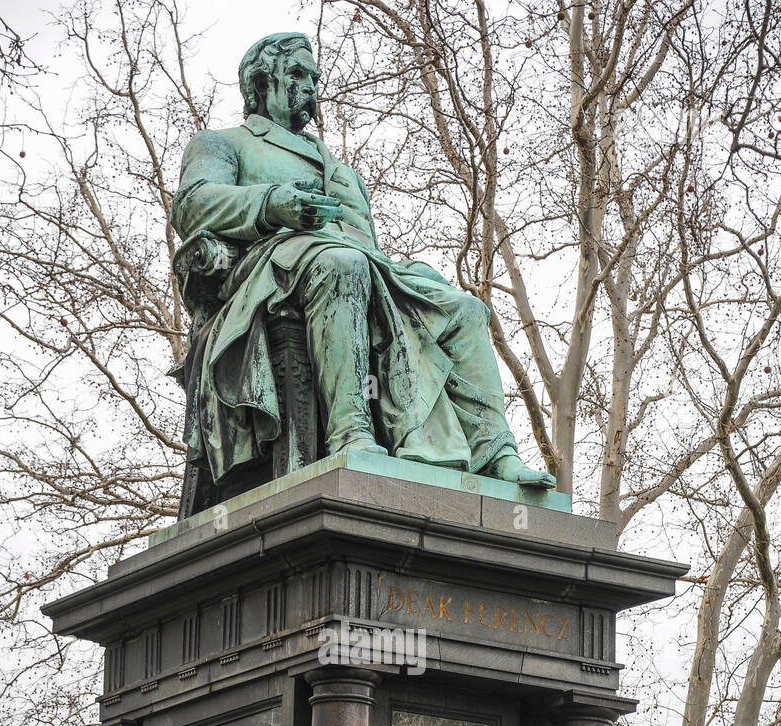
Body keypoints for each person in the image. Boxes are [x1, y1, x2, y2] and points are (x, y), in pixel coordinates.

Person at [171, 31, 556, 505]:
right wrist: (274, 204)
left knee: (463, 309)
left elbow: (363, 241)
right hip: (271, 271)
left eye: (313, 77)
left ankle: (494, 453)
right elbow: (192, 205)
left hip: (362, 267)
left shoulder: (340, 169)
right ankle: (350, 434)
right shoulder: (224, 143)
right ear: (259, 82)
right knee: (342, 265)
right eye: (295, 75)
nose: (310, 86)